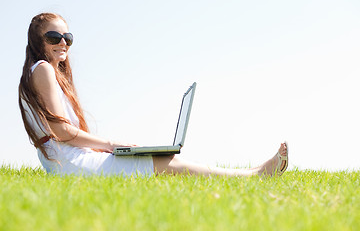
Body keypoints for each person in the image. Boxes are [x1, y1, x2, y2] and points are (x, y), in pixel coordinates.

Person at [18, 13, 288, 177]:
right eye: (54, 37)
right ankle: (253, 176)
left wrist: (112, 149)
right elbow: (63, 132)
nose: (63, 42)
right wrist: (111, 145)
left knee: (164, 161)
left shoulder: (44, 72)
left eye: (67, 36)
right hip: (69, 163)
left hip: (65, 160)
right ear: (38, 41)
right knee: (166, 162)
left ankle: (252, 174)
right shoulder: (42, 69)